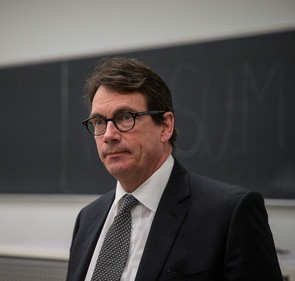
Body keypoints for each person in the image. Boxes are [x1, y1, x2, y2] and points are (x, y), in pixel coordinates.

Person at [66, 57, 282, 281]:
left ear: (166, 126)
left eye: (125, 117)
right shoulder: (88, 219)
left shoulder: (229, 215)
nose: (109, 135)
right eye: (99, 121)